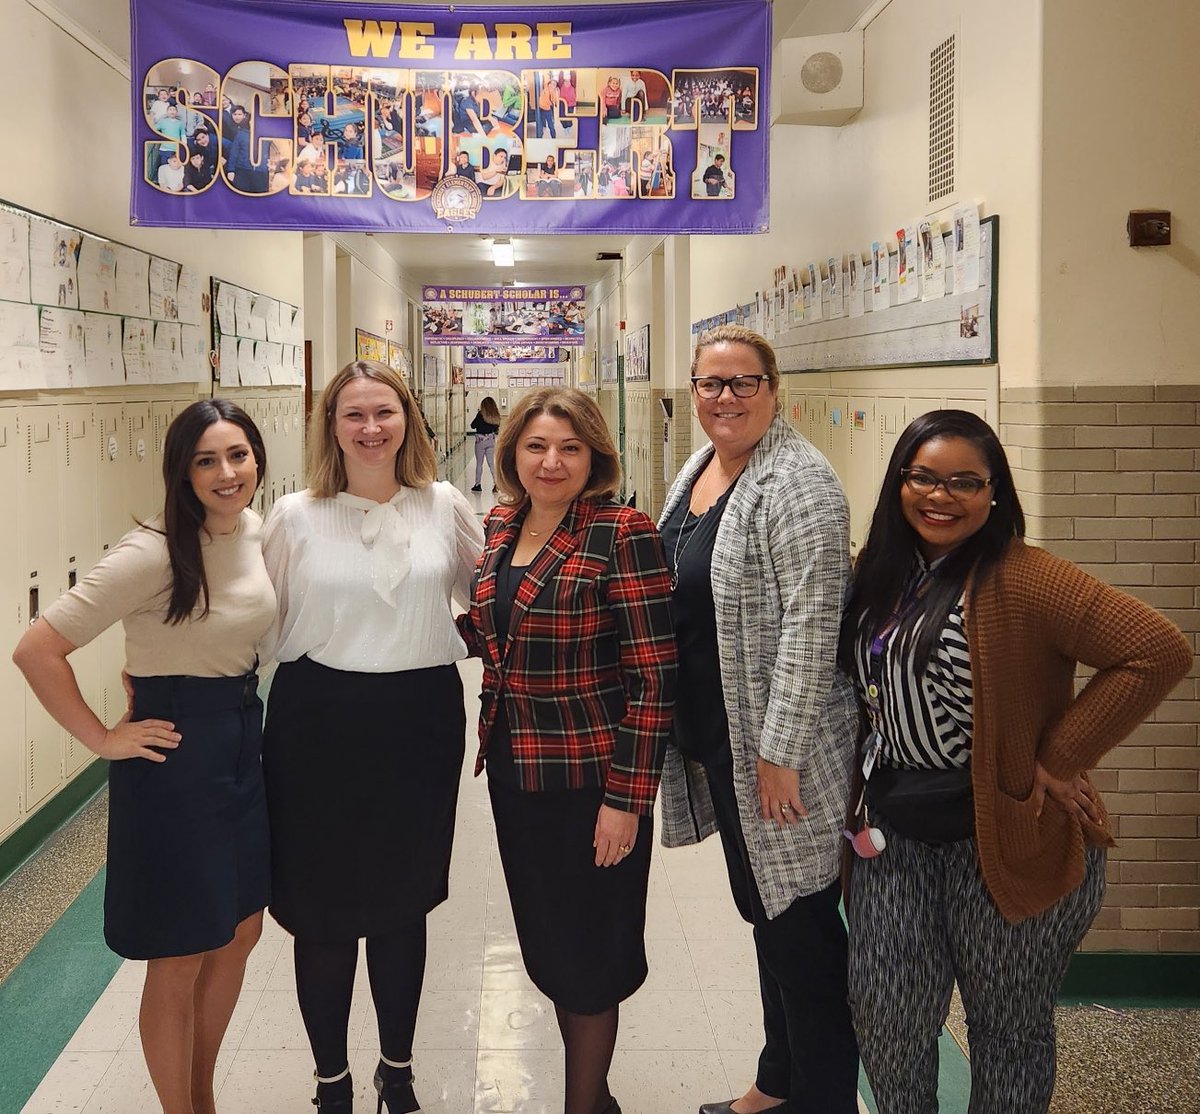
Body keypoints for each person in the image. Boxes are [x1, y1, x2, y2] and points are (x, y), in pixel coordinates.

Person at [838, 409, 1191, 1114]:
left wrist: (1060, 757)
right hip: (895, 837)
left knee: (1006, 1032)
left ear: (995, 492)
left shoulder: (1026, 578)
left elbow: (1158, 650)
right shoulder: (878, 573)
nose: (940, 497)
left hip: (1008, 839)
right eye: (924, 478)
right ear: (898, 482)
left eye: (964, 483)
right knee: (886, 1020)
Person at [13, 400, 274, 1114]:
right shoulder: (152, 551)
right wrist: (103, 738)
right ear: (180, 471)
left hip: (240, 742)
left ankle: (201, 1092)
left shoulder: (254, 530)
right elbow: (37, 649)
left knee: (241, 927)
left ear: (258, 459)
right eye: (206, 460)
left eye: (238, 455)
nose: (227, 472)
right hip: (175, 759)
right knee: (183, 947)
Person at [260, 360, 483, 1113]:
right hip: (315, 722)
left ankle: (398, 1070)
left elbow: (491, 597)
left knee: (401, 902)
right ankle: (331, 1082)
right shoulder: (292, 516)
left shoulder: (444, 504)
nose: (370, 428)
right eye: (353, 415)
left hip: (418, 720)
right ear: (331, 427)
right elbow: (255, 623)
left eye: (384, 412)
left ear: (408, 419)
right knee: (320, 907)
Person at [657, 325, 861, 1114]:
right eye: (712, 384)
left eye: (744, 383)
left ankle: (822, 1101)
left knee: (802, 936)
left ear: (776, 392)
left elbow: (814, 626)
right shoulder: (703, 467)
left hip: (782, 755)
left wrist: (782, 754)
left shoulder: (798, 483)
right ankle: (776, 1084)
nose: (726, 398)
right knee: (765, 915)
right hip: (725, 740)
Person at [459, 388, 677, 1114]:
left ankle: (583, 1105)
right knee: (553, 945)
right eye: (536, 446)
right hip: (517, 774)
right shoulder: (499, 525)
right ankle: (598, 1094)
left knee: (592, 955)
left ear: (596, 457)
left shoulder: (623, 531)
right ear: (511, 452)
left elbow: (652, 678)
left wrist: (626, 801)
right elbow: (502, 631)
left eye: (570, 448)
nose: (551, 462)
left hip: (592, 780)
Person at [469, 395, 501, 492]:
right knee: (491, 464)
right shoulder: (495, 415)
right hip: (490, 441)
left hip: (480, 442)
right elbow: (496, 429)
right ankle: (496, 484)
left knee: (479, 464)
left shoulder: (480, 414)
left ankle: (478, 485)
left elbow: (472, 425)